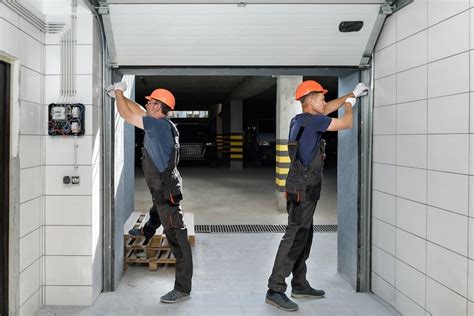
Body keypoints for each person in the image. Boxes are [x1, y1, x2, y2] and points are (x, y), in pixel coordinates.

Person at [266, 80, 368, 312]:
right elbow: (345, 123)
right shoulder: (314, 121)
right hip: (303, 188)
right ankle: (275, 288)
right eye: (320, 97)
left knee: (305, 235)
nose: (324, 100)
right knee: (294, 236)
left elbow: (328, 109)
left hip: (300, 187)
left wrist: (351, 93)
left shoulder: (301, 120)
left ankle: (299, 284)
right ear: (310, 101)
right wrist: (350, 104)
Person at [106, 82, 193, 304]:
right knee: (157, 211)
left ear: (158, 106)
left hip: (165, 191)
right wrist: (120, 95)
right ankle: (147, 231)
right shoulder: (162, 123)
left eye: (151, 102)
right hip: (164, 187)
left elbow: (126, 115)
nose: (148, 104)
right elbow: (138, 111)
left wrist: (118, 94)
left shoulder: (157, 126)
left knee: (178, 240)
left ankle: (182, 288)